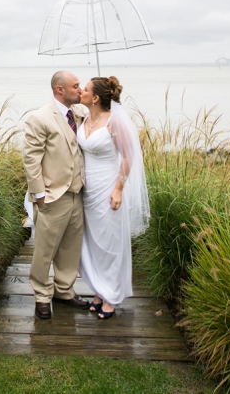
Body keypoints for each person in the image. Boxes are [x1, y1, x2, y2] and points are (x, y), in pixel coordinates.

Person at [76, 76, 150, 320]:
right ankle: (98, 291)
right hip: (87, 190)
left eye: (85, 89)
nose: (81, 92)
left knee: (110, 243)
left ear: (95, 98)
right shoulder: (85, 117)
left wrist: (118, 188)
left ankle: (110, 297)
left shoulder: (115, 121)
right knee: (93, 242)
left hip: (108, 187)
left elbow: (129, 157)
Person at [22, 71, 92, 319]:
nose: (80, 89)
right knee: (45, 250)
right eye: (75, 86)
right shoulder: (39, 118)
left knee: (71, 247)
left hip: (76, 194)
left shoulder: (80, 114)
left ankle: (64, 289)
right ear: (60, 89)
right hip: (52, 195)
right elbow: (31, 159)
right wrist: (39, 194)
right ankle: (42, 294)